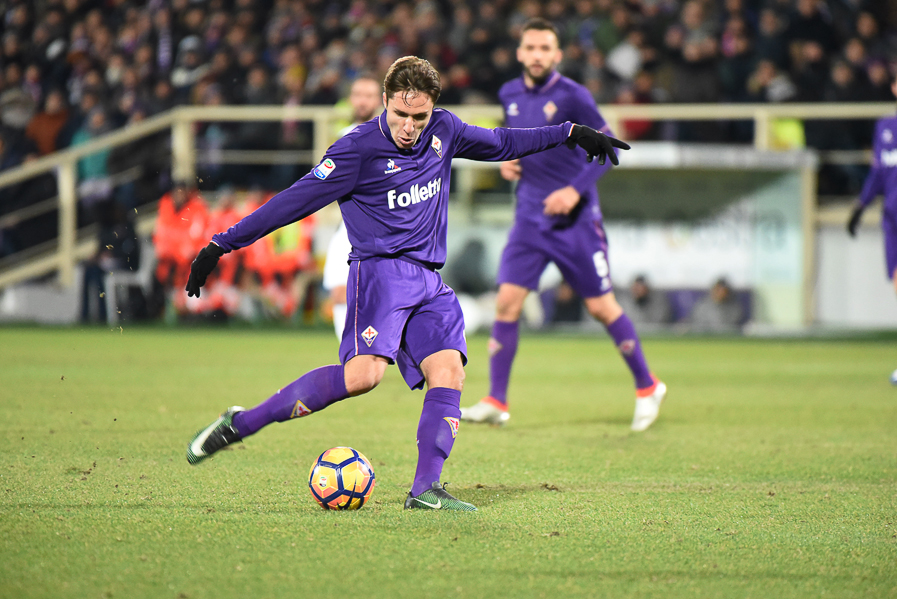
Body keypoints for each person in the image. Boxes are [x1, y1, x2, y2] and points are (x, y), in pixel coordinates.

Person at [183, 56, 628, 511]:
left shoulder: (445, 129)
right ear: (384, 102)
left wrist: (569, 132)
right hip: (380, 275)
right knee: (363, 378)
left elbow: (501, 141)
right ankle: (242, 423)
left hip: (429, 281)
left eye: (420, 116)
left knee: (449, 370)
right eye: (401, 114)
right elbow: (290, 203)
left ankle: (425, 489)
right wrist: (220, 245)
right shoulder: (355, 150)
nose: (411, 126)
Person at [459, 19, 666, 433]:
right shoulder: (509, 93)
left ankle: (648, 387)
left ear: (557, 55)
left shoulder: (574, 95)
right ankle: (497, 400)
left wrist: (573, 191)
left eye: (545, 48)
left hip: (575, 222)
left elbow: (608, 149)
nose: (537, 55)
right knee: (506, 304)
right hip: (529, 220)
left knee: (601, 307)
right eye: (530, 47)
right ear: (520, 53)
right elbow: (517, 139)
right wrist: (510, 161)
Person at [322, 74, 382, 339]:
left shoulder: (391, 136)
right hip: (346, 226)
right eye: (358, 95)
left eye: (368, 95)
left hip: (381, 230)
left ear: (380, 100)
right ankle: (348, 353)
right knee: (339, 292)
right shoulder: (342, 138)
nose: (362, 101)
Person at [848, 74, 897, 302]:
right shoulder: (885, 126)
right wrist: (861, 206)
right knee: (895, 274)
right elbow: (877, 173)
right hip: (892, 214)